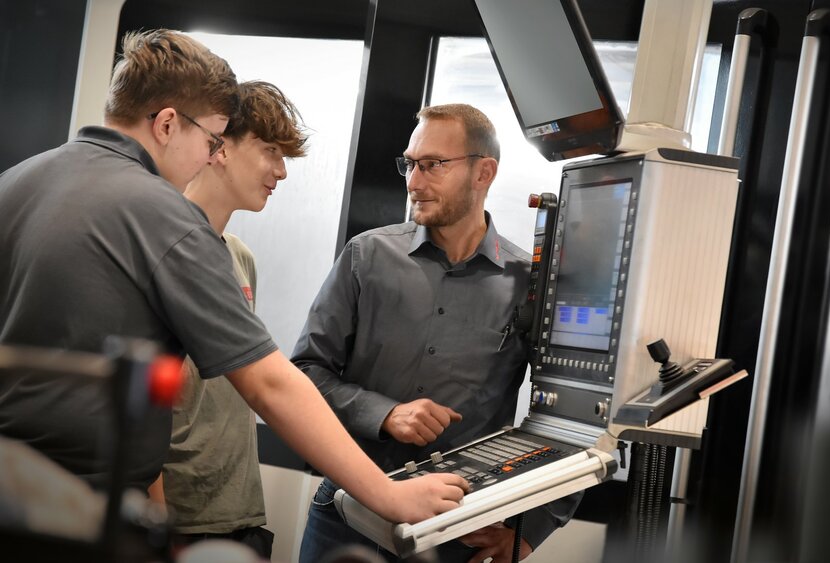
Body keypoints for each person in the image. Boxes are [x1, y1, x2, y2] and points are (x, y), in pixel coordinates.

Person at [0, 28, 467, 533]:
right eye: (210, 140)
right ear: (167, 124)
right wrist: (389, 495)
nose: (209, 157)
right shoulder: (164, 216)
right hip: (81, 514)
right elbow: (269, 383)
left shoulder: (16, 182)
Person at [293, 103, 582, 563]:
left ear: (484, 172)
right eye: (410, 164)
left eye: (432, 165)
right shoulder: (366, 257)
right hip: (347, 510)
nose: (413, 181)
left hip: (456, 528)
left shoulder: (530, 284)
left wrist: (532, 529)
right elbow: (305, 373)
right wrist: (385, 414)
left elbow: (570, 413)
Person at [146, 80, 307, 558]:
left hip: (239, 512)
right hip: (178, 519)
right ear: (218, 147)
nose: (281, 171)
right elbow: (139, 403)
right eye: (270, 151)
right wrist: (156, 524)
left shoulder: (239, 257)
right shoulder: (158, 246)